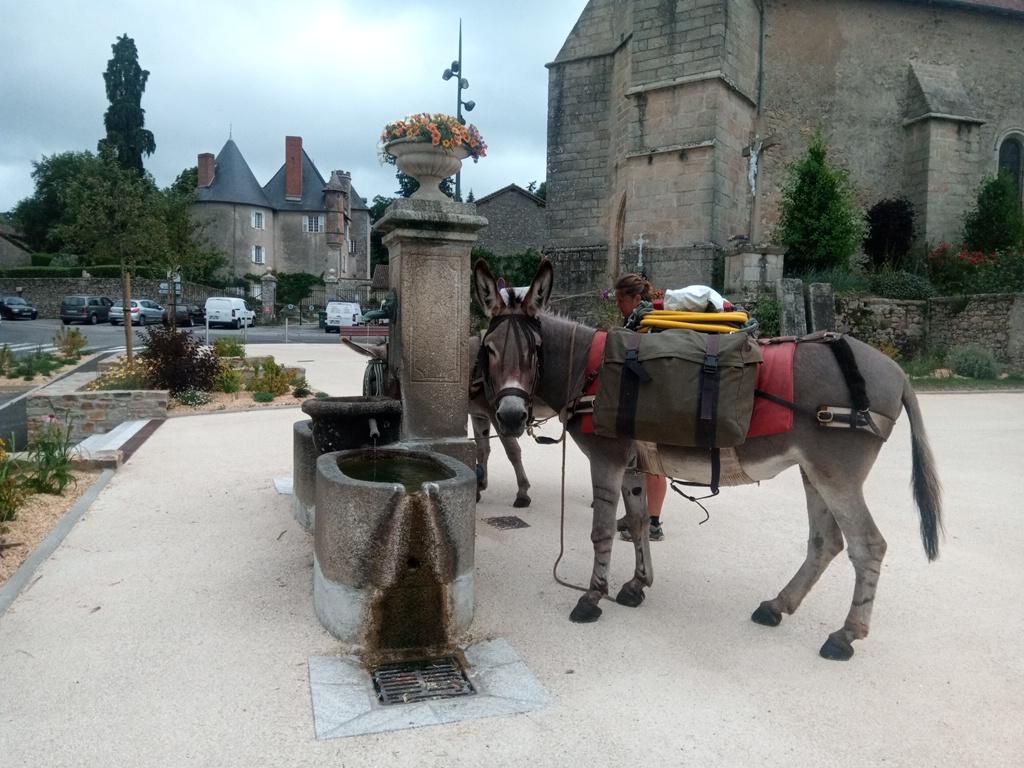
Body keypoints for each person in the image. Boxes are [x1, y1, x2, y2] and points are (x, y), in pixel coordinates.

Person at [613, 273, 669, 542]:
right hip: (645, 400)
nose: (618, 305)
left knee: (652, 462)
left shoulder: (650, 324)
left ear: (635, 298)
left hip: (654, 402)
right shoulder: (639, 321)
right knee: (637, 462)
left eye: (621, 299)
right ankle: (633, 515)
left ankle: (654, 525)